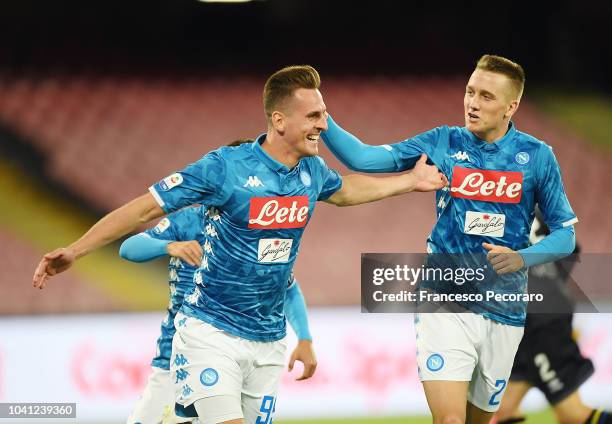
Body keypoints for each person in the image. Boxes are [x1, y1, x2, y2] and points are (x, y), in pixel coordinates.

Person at [32, 65, 448, 424]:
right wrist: (77, 249)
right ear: (279, 120)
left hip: (268, 341)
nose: (324, 125)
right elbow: (145, 209)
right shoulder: (224, 168)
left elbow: (345, 191)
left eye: (324, 114)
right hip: (211, 332)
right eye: (315, 115)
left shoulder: (312, 171)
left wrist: (410, 181)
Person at [320, 55, 578, 424]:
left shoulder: (537, 157)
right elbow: (364, 159)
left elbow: (565, 236)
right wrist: (322, 118)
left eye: (486, 96)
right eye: (470, 92)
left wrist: (522, 258)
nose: (472, 103)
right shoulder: (443, 142)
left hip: (505, 309)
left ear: (512, 106)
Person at [121, 204, 316, 424]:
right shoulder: (187, 222)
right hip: (181, 356)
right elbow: (129, 248)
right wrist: (170, 246)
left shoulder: (260, 227)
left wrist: (304, 338)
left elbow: (287, 287)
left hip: (249, 356)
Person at [496, 212, 611, 424]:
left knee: (572, 415)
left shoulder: (485, 210)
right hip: (529, 320)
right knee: (500, 410)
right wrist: (548, 286)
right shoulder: (534, 207)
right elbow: (571, 247)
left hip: (537, 324)